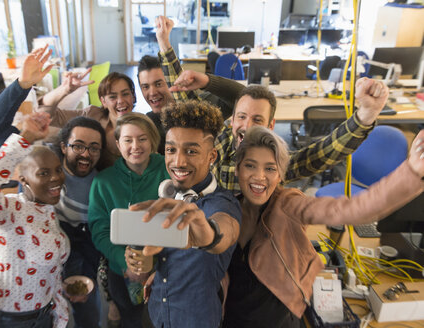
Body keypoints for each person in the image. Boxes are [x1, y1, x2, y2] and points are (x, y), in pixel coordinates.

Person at [152, 16, 387, 194]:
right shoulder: (219, 140)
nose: (247, 126)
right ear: (232, 119)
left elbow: (323, 152)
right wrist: (164, 43)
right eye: (242, 117)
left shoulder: (277, 160)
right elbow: (183, 97)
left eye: (257, 120)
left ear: (271, 125)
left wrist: (365, 115)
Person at [223, 126, 424, 327]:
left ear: (280, 176)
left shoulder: (288, 205)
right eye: (250, 166)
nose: (259, 176)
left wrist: (411, 172)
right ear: (238, 168)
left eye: (270, 168)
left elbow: (355, 209)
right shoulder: (227, 209)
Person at [0, 45, 107, 328]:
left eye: (94, 148)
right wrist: (23, 85)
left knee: (88, 313)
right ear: (63, 146)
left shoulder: (101, 181)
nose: (85, 154)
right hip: (23, 281)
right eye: (77, 146)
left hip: (76, 253)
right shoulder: (43, 162)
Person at [126, 100, 242, 328]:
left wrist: (209, 235)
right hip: (156, 314)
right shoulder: (165, 198)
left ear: (212, 157)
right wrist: (141, 262)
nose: (178, 161)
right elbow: (146, 272)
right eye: (171, 149)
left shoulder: (224, 204)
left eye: (191, 151)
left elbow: (223, 230)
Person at [0, 112, 70, 328]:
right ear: (23, 180)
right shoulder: (11, 211)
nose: (55, 178)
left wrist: (58, 293)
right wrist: (23, 140)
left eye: (58, 170)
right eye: (43, 173)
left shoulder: (46, 209)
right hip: (16, 321)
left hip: (43, 313)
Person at [0, 44, 137, 170]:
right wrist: (26, 84)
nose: (120, 101)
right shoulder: (92, 116)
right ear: (103, 101)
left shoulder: (142, 129)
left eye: (125, 94)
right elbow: (49, 115)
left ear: (133, 96)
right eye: (112, 96)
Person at [88, 113, 169, 328]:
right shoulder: (103, 182)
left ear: (152, 140)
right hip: (122, 272)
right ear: (117, 143)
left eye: (142, 138)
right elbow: (99, 230)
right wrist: (125, 263)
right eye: (128, 140)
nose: (136, 146)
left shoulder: (170, 169)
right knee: (131, 320)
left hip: (167, 268)